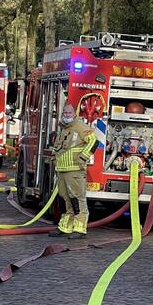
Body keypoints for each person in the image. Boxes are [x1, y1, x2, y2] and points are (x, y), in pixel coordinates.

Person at [49, 102, 98, 240]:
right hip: (62, 169)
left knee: (77, 199)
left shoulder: (80, 127)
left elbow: (94, 142)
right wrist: (54, 158)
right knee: (65, 200)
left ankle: (80, 228)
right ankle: (65, 227)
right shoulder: (63, 128)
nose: (67, 115)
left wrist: (82, 157)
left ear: (74, 114)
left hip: (75, 169)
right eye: (65, 113)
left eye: (69, 113)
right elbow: (59, 147)